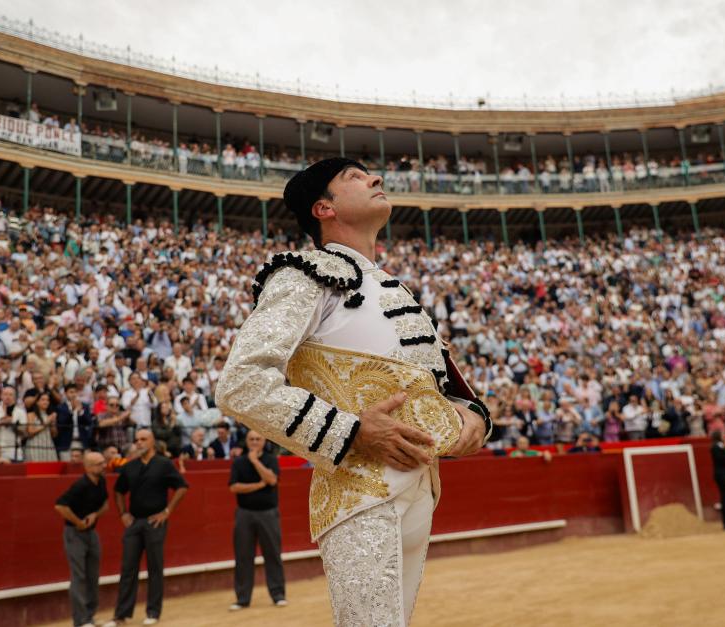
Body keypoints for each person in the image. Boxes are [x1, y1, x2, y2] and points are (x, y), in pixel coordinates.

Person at [216, 157, 490, 625]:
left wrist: (474, 417)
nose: (376, 179)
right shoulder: (304, 274)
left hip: (420, 483)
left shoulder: (391, 289)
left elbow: (446, 384)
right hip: (357, 490)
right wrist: (348, 431)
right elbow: (241, 382)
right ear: (324, 208)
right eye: (356, 177)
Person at [104, 429, 188, 627]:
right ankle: (121, 615)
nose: (139, 443)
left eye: (143, 440)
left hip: (154, 521)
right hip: (134, 523)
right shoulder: (130, 466)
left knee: (155, 568)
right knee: (128, 569)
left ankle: (153, 612)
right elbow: (118, 491)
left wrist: (167, 512)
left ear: (152, 442)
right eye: (137, 440)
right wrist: (123, 513)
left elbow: (182, 487)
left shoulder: (164, 464)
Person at [228, 430, 286, 611]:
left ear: (264, 441)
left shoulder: (270, 459)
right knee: (243, 556)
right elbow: (234, 487)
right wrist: (258, 485)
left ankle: (278, 595)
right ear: (246, 441)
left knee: (273, 554)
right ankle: (242, 598)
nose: (254, 442)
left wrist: (254, 461)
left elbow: (272, 480)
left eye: (257, 439)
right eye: (251, 439)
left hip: (268, 513)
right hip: (244, 513)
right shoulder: (238, 462)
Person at [54, 451, 109, 627]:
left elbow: (105, 506)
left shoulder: (101, 481)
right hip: (74, 534)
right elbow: (60, 506)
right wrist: (78, 522)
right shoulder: (81, 485)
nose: (104, 466)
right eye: (100, 464)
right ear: (88, 467)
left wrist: (95, 514)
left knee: (92, 576)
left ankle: (90, 617)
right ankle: (81, 620)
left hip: (91, 533)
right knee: (79, 576)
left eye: (103, 462)